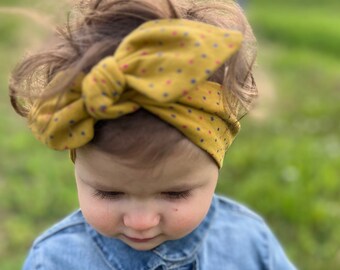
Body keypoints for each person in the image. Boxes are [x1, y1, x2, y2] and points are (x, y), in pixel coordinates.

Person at [9, 0, 297, 269]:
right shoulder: (55, 260)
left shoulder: (249, 244)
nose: (141, 222)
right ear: (78, 166)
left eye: (175, 193)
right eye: (109, 193)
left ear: (217, 163)